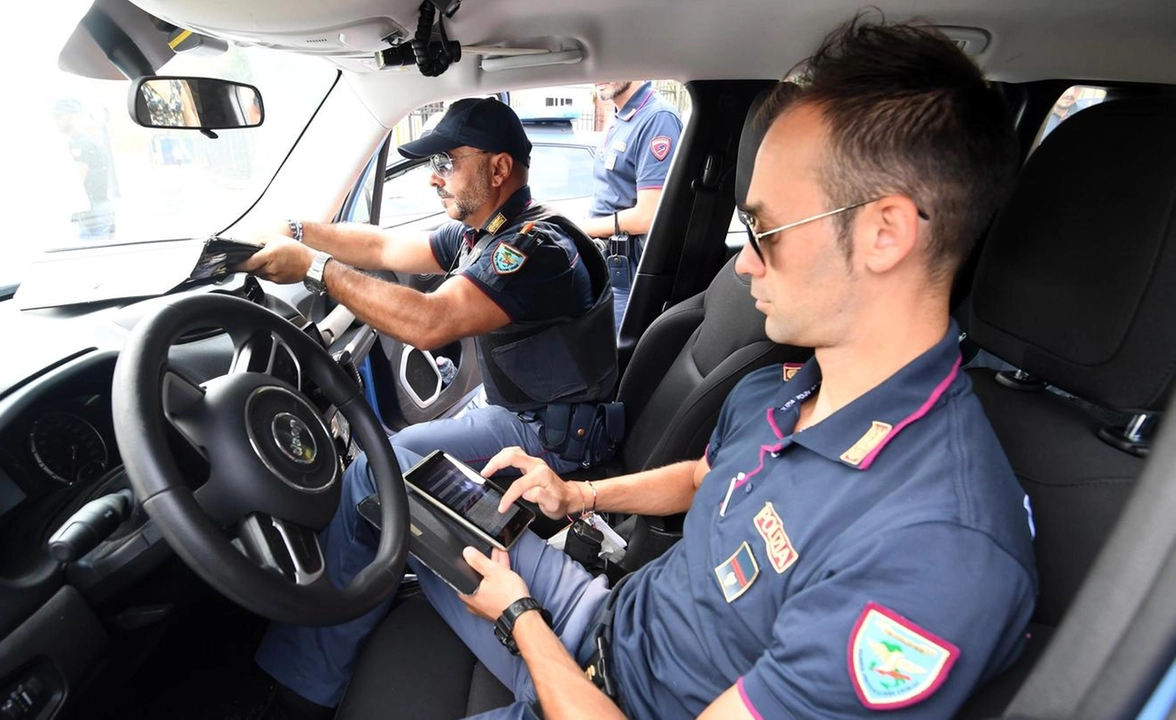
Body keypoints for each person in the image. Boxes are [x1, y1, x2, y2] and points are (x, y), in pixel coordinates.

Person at [259, 16, 1039, 720]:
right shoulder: (784, 387)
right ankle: (288, 692)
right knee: (391, 491)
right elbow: (709, 478)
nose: (744, 267)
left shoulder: (935, 556)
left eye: (762, 230)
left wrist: (519, 618)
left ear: (885, 233)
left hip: (596, 688)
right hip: (602, 615)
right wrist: (577, 492)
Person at [239, 97, 616, 475]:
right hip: (526, 412)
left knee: (378, 466)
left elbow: (430, 323)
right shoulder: (486, 231)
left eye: (445, 163)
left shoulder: (532, 248)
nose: (433, 177)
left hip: (556, 438)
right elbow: (382, 246)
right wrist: (297, 231)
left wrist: (315, 268)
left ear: (499, 168)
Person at [578, 80, 684, 330]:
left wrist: (582, 227)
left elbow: (649, 215)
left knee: (617, 358)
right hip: (605, 263)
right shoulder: (620, 117)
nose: (599, 74)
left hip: (627, 270)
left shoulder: (657, 118)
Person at [52, 99, 116, 239]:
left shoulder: (80, 145)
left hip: (92, 214)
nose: (55, 121)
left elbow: (77, 181)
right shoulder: (91, 142)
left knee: (90, 255)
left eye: (59, 116)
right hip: (100, 209)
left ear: (74, 116)